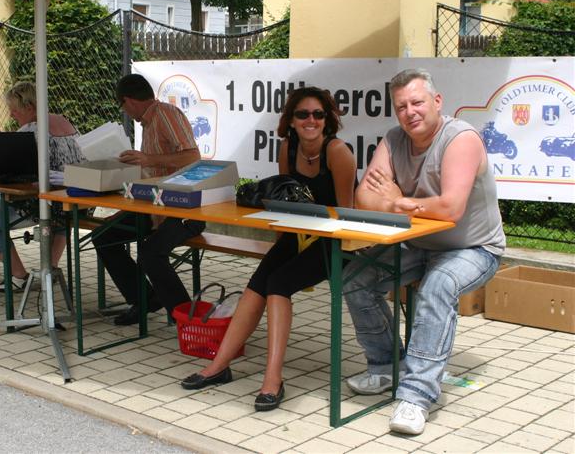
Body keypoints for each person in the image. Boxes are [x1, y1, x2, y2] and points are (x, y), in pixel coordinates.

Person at [343, 69, 504, 435]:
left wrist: (396, 198)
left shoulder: (460, 138)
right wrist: (402, 204)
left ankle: (416, 396)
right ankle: (385, 366)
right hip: (418, 244)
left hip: (474, 248)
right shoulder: (393, 139)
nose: (409, 112)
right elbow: (364, 198)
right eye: (401, 106)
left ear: (436, 102)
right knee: (354, 278)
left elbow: (449, 209)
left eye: (417, 102)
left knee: (437, 286)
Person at [180, 87, 357, 412]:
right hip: (299, 233)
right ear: (290, 120)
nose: (311, 120)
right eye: (303, 114)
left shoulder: (338, 152)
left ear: (328, 119)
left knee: (278, 284)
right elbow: (288, 203)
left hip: (336, 241)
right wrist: (280, 252)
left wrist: (299, 255)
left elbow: (346, 214)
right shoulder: (288, 148)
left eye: (318, 114)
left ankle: (273, 379)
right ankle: (218, 366)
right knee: (260, 280)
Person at [93, 74, 203, 326]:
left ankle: (186, 318)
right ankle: (145, 299)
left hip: (184, 208)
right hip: (155, 204)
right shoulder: (148, 122)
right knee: (104, 236)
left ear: (129, 101)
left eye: (122, 106)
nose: (125, 111)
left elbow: (193, 158)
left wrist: (149, 160)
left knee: (150, 253)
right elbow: (153, 172)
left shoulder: (165, 114)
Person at [0, 82, 86, 291]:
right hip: (75, 199)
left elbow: (14, 167)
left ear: (29, 107)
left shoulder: (31, 130)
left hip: (46, 203)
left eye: (14, 109)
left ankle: (18, 277)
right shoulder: (64, 121)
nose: (11, 114)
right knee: (61, 218)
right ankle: (50, 269)